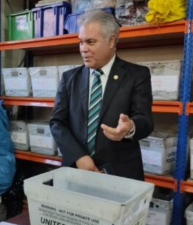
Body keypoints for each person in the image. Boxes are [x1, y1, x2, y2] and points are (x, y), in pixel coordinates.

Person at [50, 10, 154, 180]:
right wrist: (78, 157)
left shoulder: (137, 75)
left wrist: (130, 128)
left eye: (90, 42)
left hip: (120, 173)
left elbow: (146, 121)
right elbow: (57, 122)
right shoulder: (69, 78)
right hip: (78, 170)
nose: (83, 49)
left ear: (111, 41)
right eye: (81, 42)